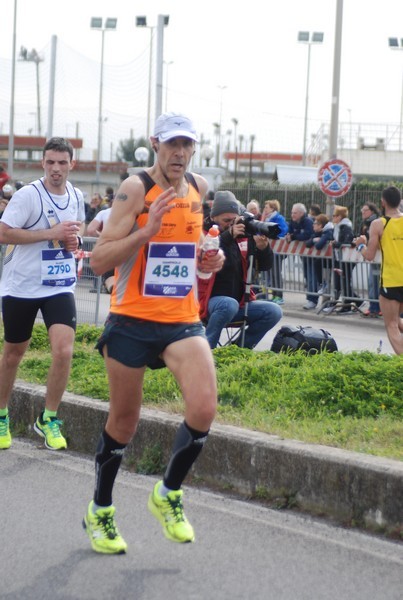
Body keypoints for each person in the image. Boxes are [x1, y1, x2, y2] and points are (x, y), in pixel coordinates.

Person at [82, 112, 224, 555]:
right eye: (171, 145)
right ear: (155, 144)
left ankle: (168, 494)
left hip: (181, 319)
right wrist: (145, 231)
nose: (179, 153)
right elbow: (99, 261)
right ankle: (100, 510)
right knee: (124, 422)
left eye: (186, 145)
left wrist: (207, 264)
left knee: (204, 407)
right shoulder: (135, 189)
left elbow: (190, 253)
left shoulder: (199, 189)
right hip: (131, 319)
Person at [0, 137, 85, 451]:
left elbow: (73, 237)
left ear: (71, 164)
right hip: (21, 286)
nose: (56, 169)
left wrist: (71, 243)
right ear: (43, 163)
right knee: (13, 354)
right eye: (50, 162)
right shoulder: (27, 196)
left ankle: (48, 418)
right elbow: (4, 233)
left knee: (63, 351)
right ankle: (1, 415)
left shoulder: (77, 196)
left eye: (62, 163)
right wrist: (52, 233)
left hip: (58, 285)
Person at [198, 191, 282, 349]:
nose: (231, 223)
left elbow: (264, 266)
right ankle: (207, 351)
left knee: (273, 311)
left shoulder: (243, 235)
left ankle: (238, 349)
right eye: (226, 220)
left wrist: (263, 249)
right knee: (229, 304)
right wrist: (228, 235)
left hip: (238, 303)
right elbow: (204, 255)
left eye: (233, 219)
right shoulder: (202, 233)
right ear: (213, 217)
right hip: (207, 302)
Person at [355, 186, 403, 354]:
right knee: (396, 321)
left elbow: (369, 255)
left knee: (391, 325)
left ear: (382, 202)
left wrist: (360, 244)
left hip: (391, 280)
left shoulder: (378, 224)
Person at [330, 204, 362, 313]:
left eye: (334, 215)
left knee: (345, 281)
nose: (333, 217)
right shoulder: (338, 227)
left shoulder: (345, 226)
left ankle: (349, 305)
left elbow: (347, 242)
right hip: (341, 258)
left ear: (340, 216)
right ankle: (357, 301)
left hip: (347, 259)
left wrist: (335, 244)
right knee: (343, 282)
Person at [285, 203, 316, 310]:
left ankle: (313, 300)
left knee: (312, 277)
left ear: (302, 213)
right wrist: (291, 236)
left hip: (313, 254)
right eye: (292, 212)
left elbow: (307, 235)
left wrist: (294, 236)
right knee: (307, 276)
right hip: (304, 254)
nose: (292, 215)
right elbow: (289, 233)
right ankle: (310, 298)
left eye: (295, 213)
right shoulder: (292, 222)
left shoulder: (308, 221)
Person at [356, 202, 381, 317]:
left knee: (376, 283)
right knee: (372, 283)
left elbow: (373, 240)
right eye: (362, 210)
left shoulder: (376, 223)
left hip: (379, 258)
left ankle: (377, 307)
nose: (362, 212)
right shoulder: (365, 223)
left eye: (365, 210)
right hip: (374, 258)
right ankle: (374, 307)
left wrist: (362, 245)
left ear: (372, 211)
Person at [261, 199, 288, 305]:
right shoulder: (266, 218)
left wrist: (272, 234)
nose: (264, 209)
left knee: (276, 273)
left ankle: (279, 295)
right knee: (270, 274)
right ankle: (273, 295)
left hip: (277, 251)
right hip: (269, 250)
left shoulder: (278, 218)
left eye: (266, 207)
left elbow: (283, 230)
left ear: (272, 208)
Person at [86, 207, 114, 293]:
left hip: (107, 248)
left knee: (110, 276)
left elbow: (91, 230)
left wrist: (102, 236)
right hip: (127, 249)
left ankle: (111, 287)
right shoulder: (132, 211)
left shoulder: (105, 212)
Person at [305, 213, 334, 296]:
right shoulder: (318, 233)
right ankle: (322, 285)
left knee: (337, 286)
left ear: (321, 225)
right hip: (325, 260)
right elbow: (307, 244)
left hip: (332, 260)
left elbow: (318, 246)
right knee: (316, 263)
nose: (313, 225)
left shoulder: (328, 232)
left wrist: (319, 240)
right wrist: (314, 239)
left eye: (315, 223)